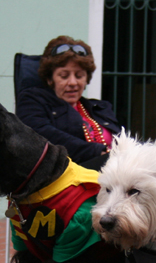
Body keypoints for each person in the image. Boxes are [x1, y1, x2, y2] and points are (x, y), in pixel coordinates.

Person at [16, 35, 122, 169]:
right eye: (64, 76)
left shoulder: (100, 107)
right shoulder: (33, 100)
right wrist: (98, 153)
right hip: (68, 175)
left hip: (113, 173)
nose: (73, 83)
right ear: (50, 79)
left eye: (79, 76)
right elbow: (41, 134)